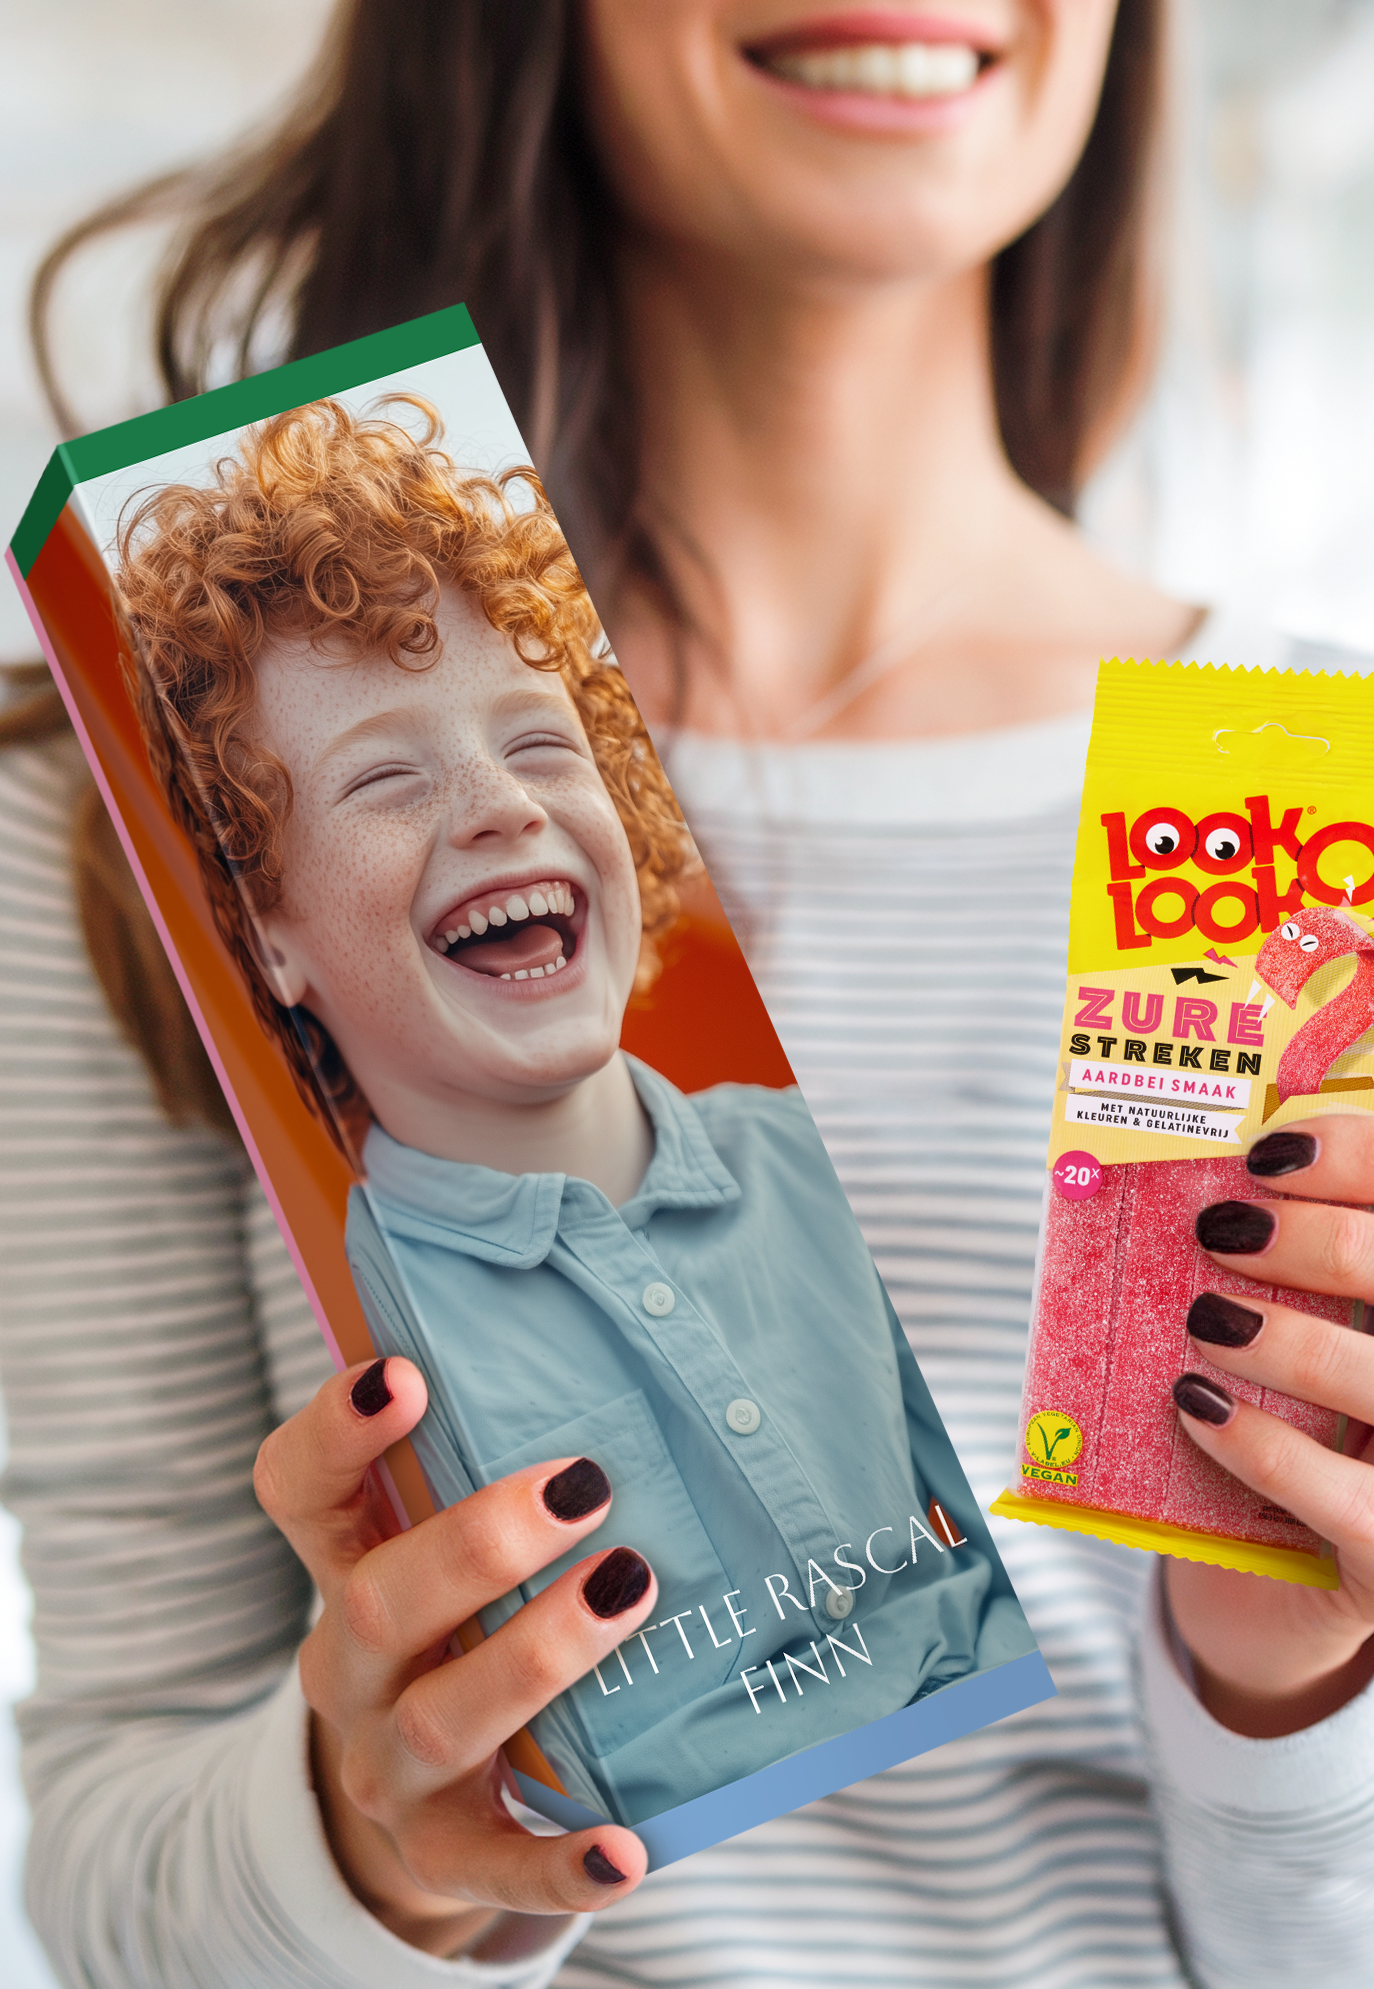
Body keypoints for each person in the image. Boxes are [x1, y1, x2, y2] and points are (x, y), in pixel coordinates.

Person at [0, 4, 1374, 1989]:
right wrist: (373, 1835)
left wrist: (1291, 1668)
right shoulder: (136, 808)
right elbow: (116, 1876)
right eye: (398, 776)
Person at [109, 395, 1033, 1826]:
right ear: (269, 937)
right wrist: (396, 1852)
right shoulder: (374, 1313)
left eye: (544, 749)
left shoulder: (792, 1151)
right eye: (385, 779)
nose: (498, 808)